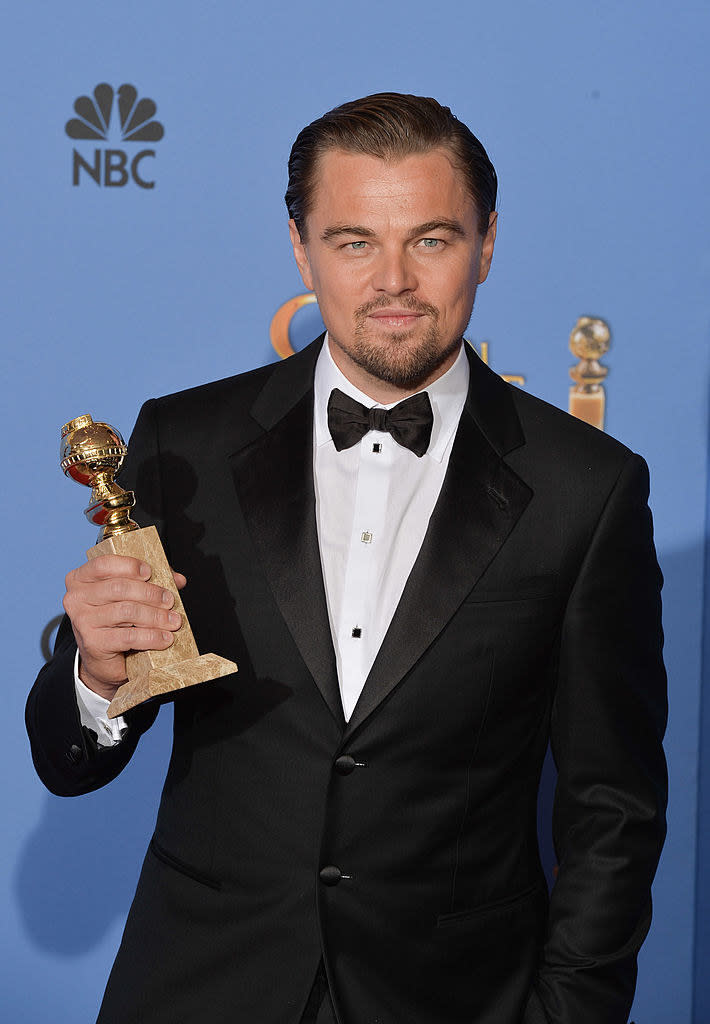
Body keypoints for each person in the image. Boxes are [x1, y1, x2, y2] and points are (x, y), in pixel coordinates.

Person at [26, 92, 667, 1024]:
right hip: (203, 986)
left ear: (487, 245)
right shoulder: (183, 442)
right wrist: (93, 673)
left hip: (456, 996)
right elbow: (68, 764)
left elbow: (614, 810)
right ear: (301, 247)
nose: (394, 280)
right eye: (354, 240)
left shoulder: (588, 488)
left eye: (433, 239)